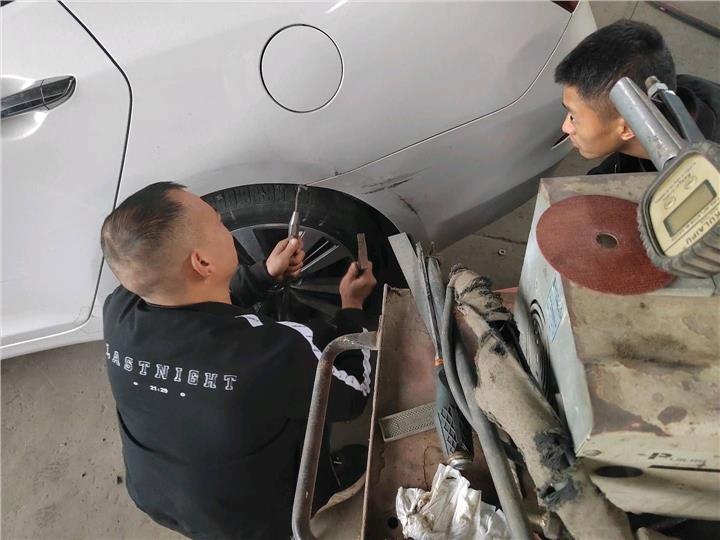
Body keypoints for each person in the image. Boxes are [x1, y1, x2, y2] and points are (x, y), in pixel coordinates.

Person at [100, 181, 377, 539]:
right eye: (218, 222)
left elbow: (196, 302)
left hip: (154, 494)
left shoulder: (119, 309)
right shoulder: (269, 351)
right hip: (250, 522)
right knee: (306, 408)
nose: (225, 227)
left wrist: (263, 275)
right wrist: (352, 308)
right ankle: (320, 490)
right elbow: (354, 394)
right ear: (202, 262)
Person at [554, 19, 720, 175]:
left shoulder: (703, 176)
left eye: (573, 118)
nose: (566, 128)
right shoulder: (665, 90)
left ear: (628, 127)